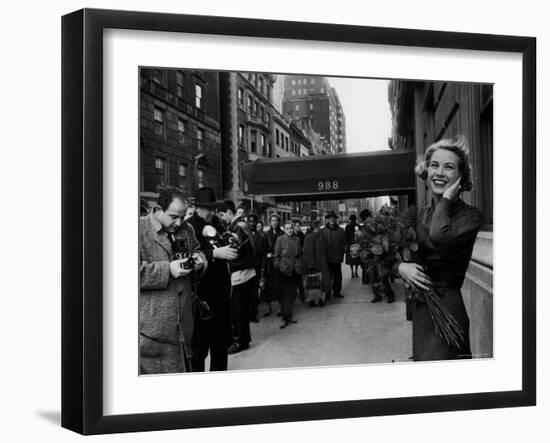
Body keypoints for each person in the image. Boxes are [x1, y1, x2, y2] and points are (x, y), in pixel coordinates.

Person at [397, 136, 483, 361]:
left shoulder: (471, 216)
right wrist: (401, 267)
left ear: (460, 177)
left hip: (449, 306)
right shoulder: (416, 213)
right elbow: (390, 251)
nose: (439, 172)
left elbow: (439, 236)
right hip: (422, 309)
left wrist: (445, 200)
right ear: (426, 172)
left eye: (449, 167)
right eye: (434, 165)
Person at [139, 187, 206, 374]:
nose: (179, 223)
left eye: (183, 217)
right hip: (152, 333)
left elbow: (198, 250)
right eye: (174, 217)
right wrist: (167, 269)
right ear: (157, 210)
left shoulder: (187, 229)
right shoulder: (137, 230)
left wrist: (200, 261)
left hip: (184, 327)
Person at [187, 188, 238, 372]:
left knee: (220, 350)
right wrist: (214, 253)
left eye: (213, 209)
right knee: (199, 353)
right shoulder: (189, 227)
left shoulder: (216, 224)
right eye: (207, 209)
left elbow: (228, 243)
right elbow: (187, 258)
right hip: (201, 301)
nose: (211, 213)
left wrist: (231, 242)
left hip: (221, 300)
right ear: (197, 207)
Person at [218, 200, 257, 354]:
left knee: (238, 311)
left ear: (229, 212)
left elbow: (234, 254)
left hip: (240, 275)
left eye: (222, 214)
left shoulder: (235, 229)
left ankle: (241, 342)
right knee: (242, 310)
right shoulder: (242, 225)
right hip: (248, 274)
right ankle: (244, 339)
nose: (222, 218)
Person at [273, 221, 302, 328]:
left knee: (292, 294)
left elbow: (299, 255)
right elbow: (276, 256)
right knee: (284, 295)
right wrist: (279, 268)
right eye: (287, 228)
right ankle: (285, 318)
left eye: (291, 228)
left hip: (294, 270)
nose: (289, 230)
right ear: (284, 229)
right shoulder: (280, 239)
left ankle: (289, 316)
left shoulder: (297, 240)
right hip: (284, 270)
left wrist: (298, 267)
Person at [302, 220, 331, 307]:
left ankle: (320, 299)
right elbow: (308, 252)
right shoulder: (309, 237)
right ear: (316, 227)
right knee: (313, 282)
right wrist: (311, 264)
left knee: (321, 282)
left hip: (321, 262)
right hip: (315, 264)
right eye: (319, 226)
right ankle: (312, 300)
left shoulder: (318, 236)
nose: (320, 228)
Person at [320, 210, 346, 299]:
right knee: (327, 276)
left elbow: (344, 243)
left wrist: (342, 251)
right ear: (327, 220)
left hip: (337, 258)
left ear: (335, 219)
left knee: (337, 276)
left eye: (333, 218)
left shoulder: (341, 230)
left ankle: (337, 292)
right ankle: (327, 293)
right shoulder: (322, 231)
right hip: (327, 259)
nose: (331, 220)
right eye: (330, 218)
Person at [247, 213, 268, 322]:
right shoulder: (244, 235)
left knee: (255, 292)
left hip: (257, 268)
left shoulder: (261, 237)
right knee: (246, 293)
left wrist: (263, 269)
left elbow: (264, 255)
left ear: (256, 223)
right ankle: (246, 313)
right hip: (245, 268)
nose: (251, 223)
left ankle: (253, 315)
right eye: (250, 221)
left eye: (253, 221)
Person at [262, 214, 284, 315]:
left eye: (276, 220)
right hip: (269, 263)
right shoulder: (266, 234)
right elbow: (264, 248)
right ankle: (268, 307)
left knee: (279, 285)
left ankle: (280, 306)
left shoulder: (282, 233)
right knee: (267, 286)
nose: (274, 222)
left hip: (279, 262)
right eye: (273, 220)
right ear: (270, 222)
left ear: (279, 222)